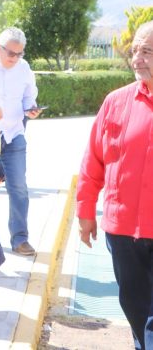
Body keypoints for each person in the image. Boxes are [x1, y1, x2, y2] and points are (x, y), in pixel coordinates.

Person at [77, 21, 153, 350]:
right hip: (123, 232)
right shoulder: (115, 102)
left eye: (147, 51)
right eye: (134, 50)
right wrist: (85, 211)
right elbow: (93, 161)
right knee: (137, 312)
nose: (137, 58)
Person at [0, 28, 42, 256]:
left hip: (13, 133)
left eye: (19, 53)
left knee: (19, 188)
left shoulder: (24, 69)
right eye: (11, 53)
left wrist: (31, 109)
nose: (15, 58)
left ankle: (20, 238)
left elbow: (29, 97)